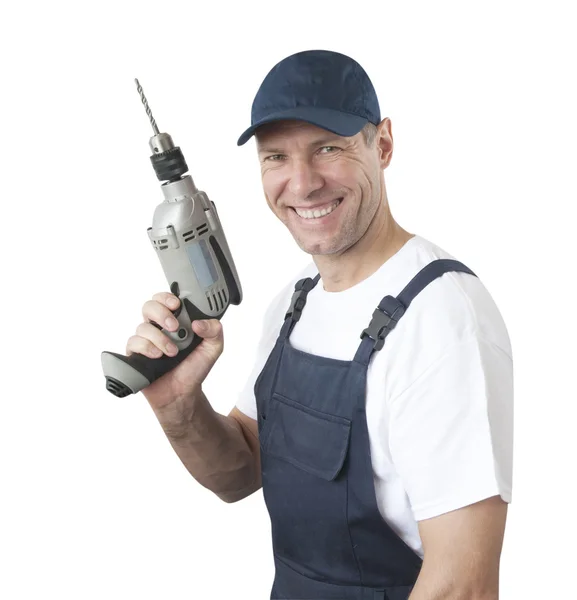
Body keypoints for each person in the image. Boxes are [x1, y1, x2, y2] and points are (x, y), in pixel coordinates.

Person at [125, 50, 513, 599]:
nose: (302, 183)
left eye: (328, 148)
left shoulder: (442, 318)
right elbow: (240, 473)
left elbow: (463, 586)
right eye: (275, 157)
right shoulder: (294, 304)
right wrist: (178, 406)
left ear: (382, 144)